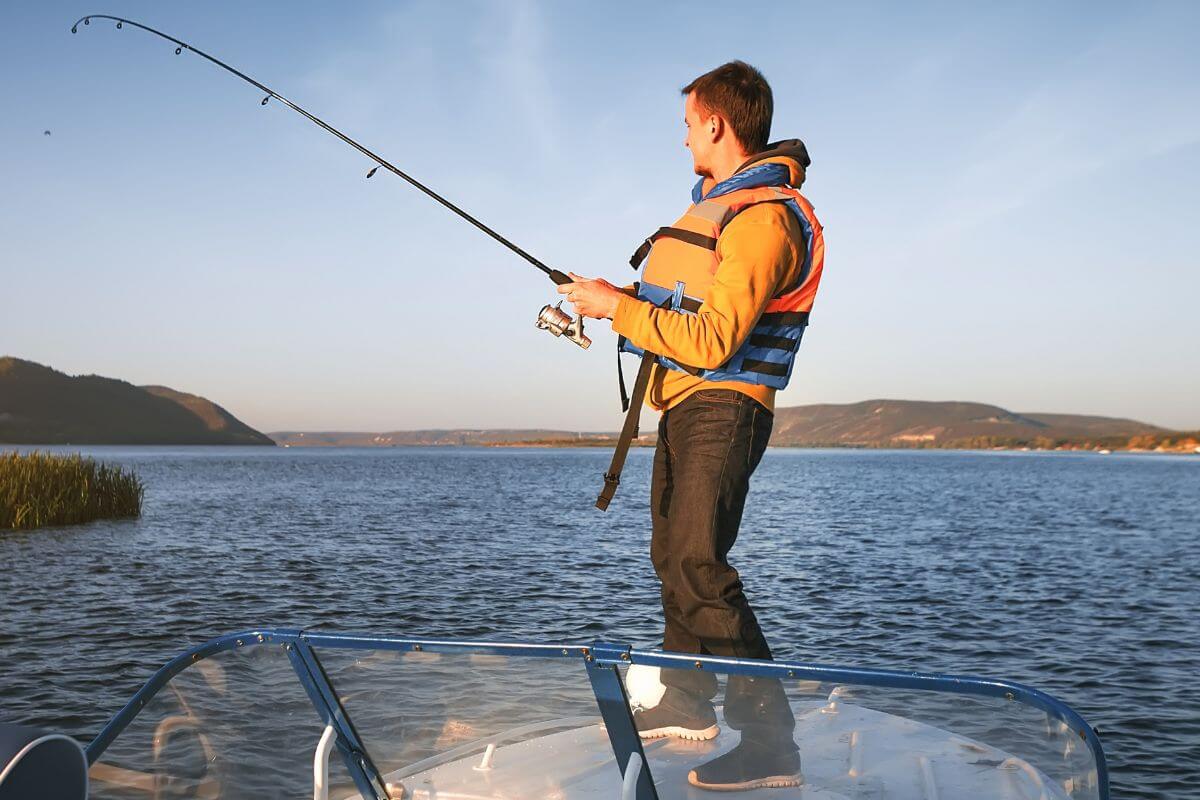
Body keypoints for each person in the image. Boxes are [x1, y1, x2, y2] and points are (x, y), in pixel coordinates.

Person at [560, 60, 825, 791]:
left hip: (726, 404)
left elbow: (713, 341)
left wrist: (617, 310)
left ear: (717, 122)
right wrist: (618, 296)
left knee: (701, 561)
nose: (683, 141)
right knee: (674, 555)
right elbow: (686, 315)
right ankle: (686, 700)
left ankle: (772, 744)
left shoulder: (765, 218)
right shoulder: (725, 208)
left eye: (687, 125)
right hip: (685, 404)